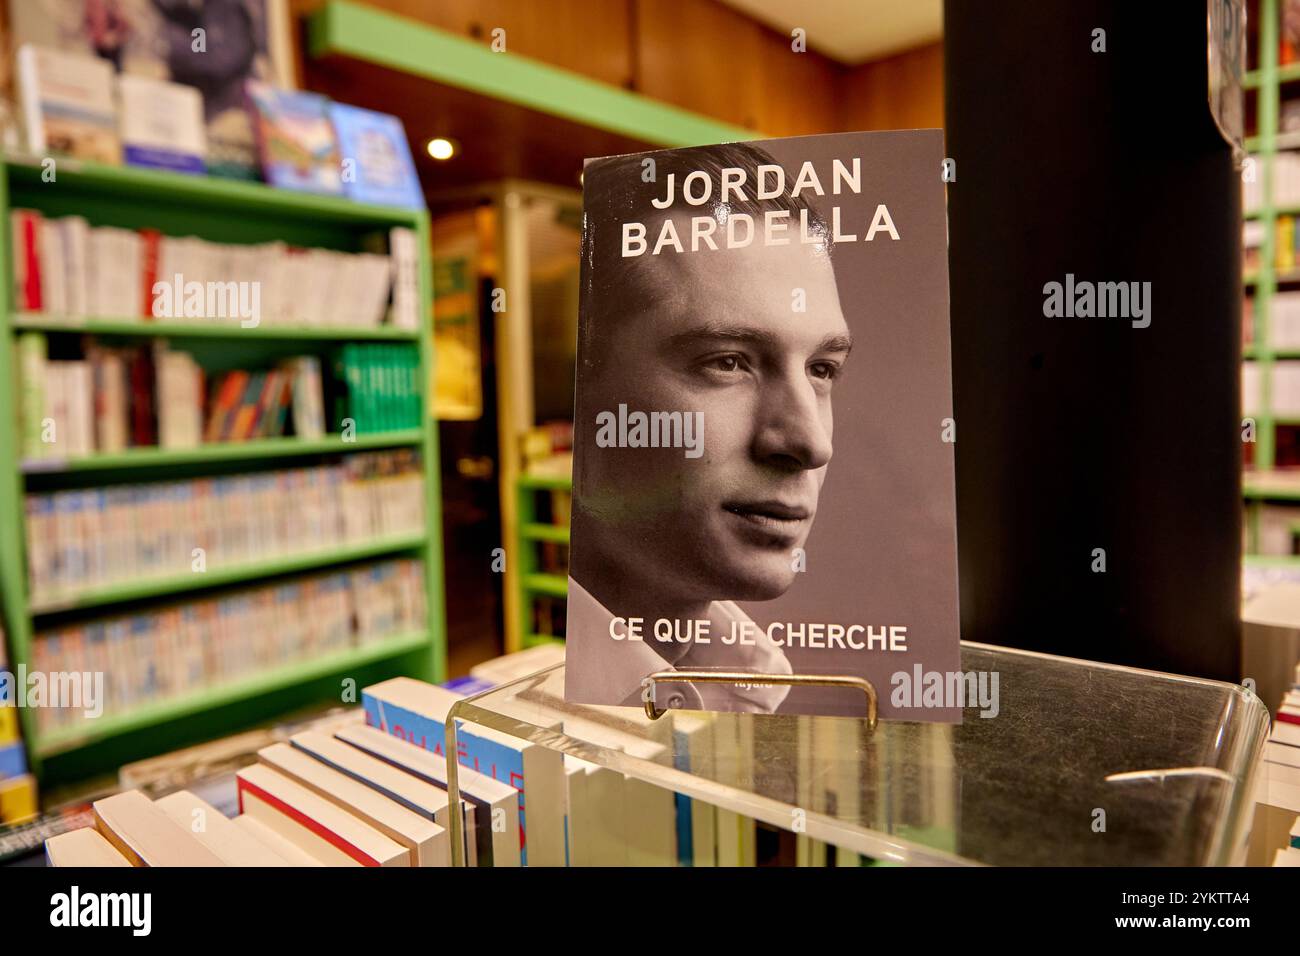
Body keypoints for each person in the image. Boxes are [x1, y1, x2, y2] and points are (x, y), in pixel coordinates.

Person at [566, 142, 852, 713]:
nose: (809, 443)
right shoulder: (521, 687)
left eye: (822, 369)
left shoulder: (755, 682)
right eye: (727, 361)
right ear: (583, 401)